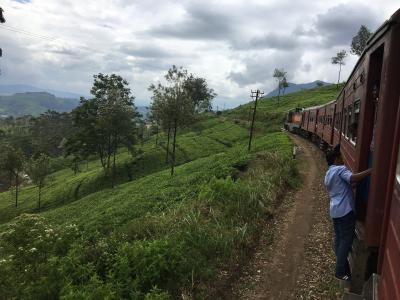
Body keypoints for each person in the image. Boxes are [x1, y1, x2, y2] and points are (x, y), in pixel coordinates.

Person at [324, 144, 372, 281]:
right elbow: (352, 178)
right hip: (345, 211)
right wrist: (370, 171)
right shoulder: (340, 169)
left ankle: (343, 268)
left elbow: (344, 185)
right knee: (346, 241)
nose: (343, 158)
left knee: (339, 240)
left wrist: (354, 185)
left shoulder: (328, 173)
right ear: (336, 159)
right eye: (340, 156)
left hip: (335, 211)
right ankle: (340, 272)